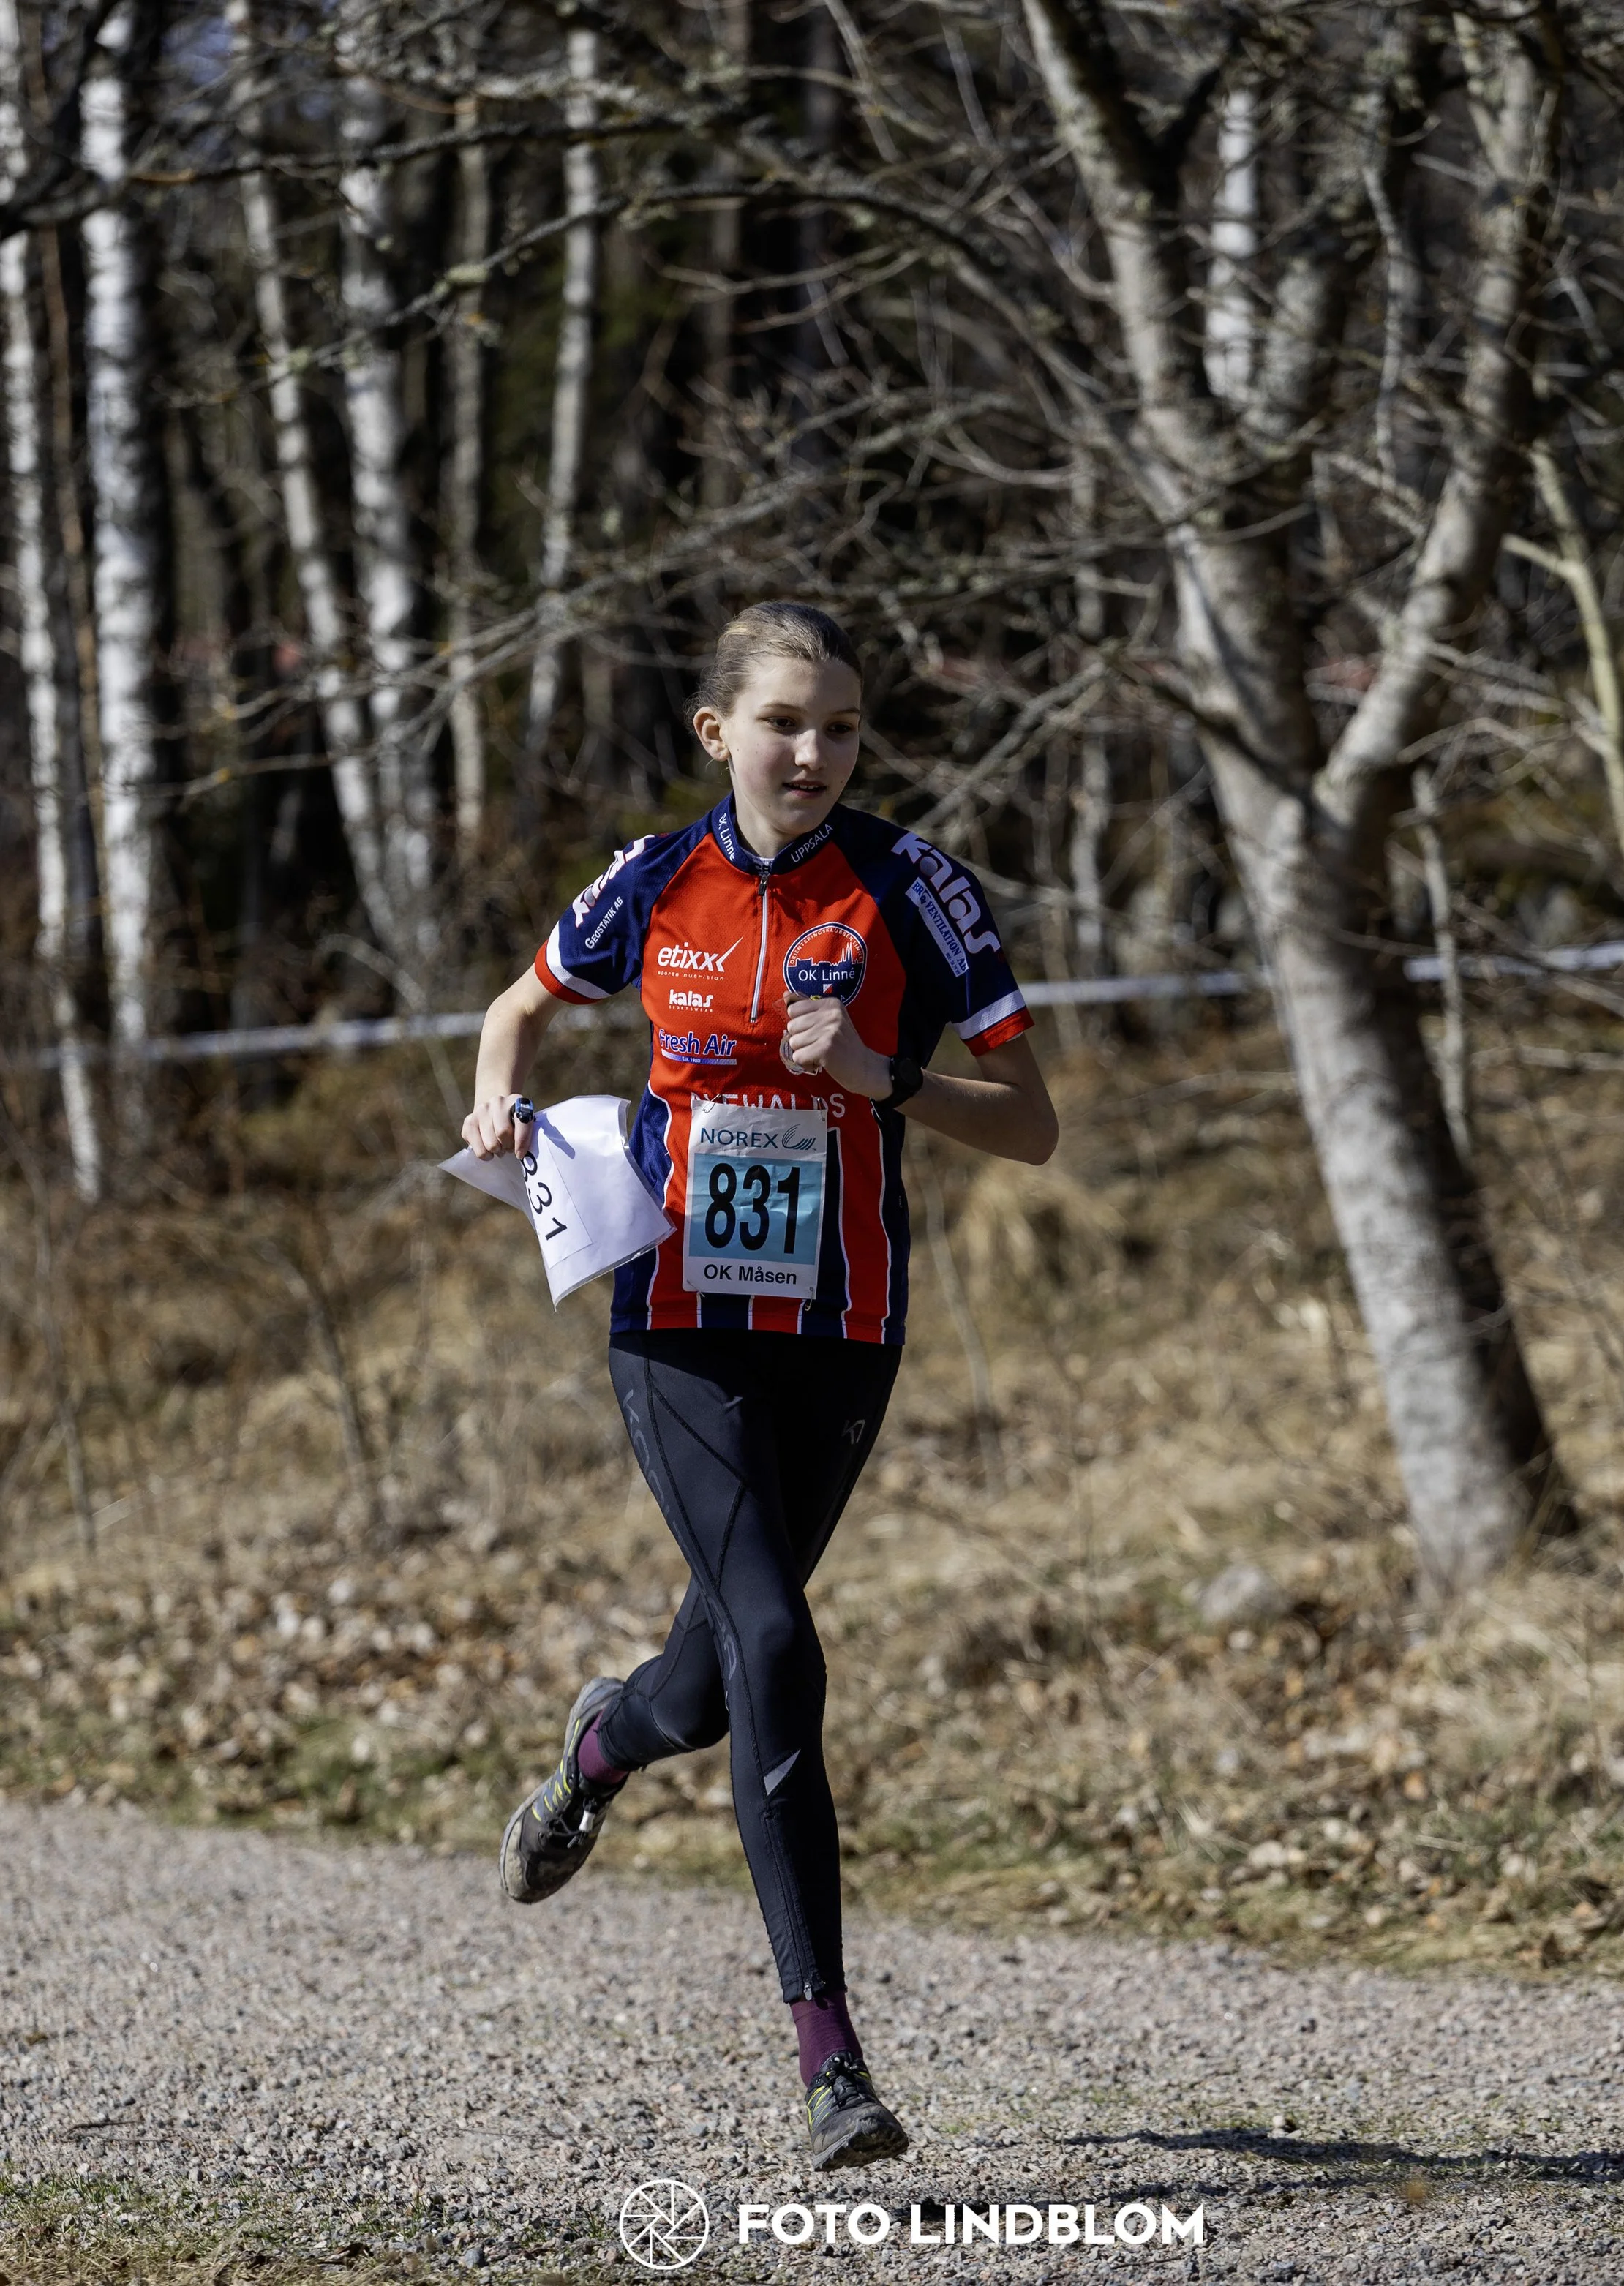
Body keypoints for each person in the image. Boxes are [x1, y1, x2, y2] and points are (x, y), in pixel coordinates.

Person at [461, 601, 1058, 2169]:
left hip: (843, 1326)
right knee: (777, 1635)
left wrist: (882, 1077)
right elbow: (518, 1005)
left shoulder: (913, 890)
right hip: (677, 1323)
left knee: (715, 1675)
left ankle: (599, 1745)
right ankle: (830, 2064)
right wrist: (495, 1102)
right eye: (786, 720)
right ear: (718, 733)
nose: (816, 750)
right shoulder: (657, 879)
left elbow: (1035, 1120)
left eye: (843, 726)